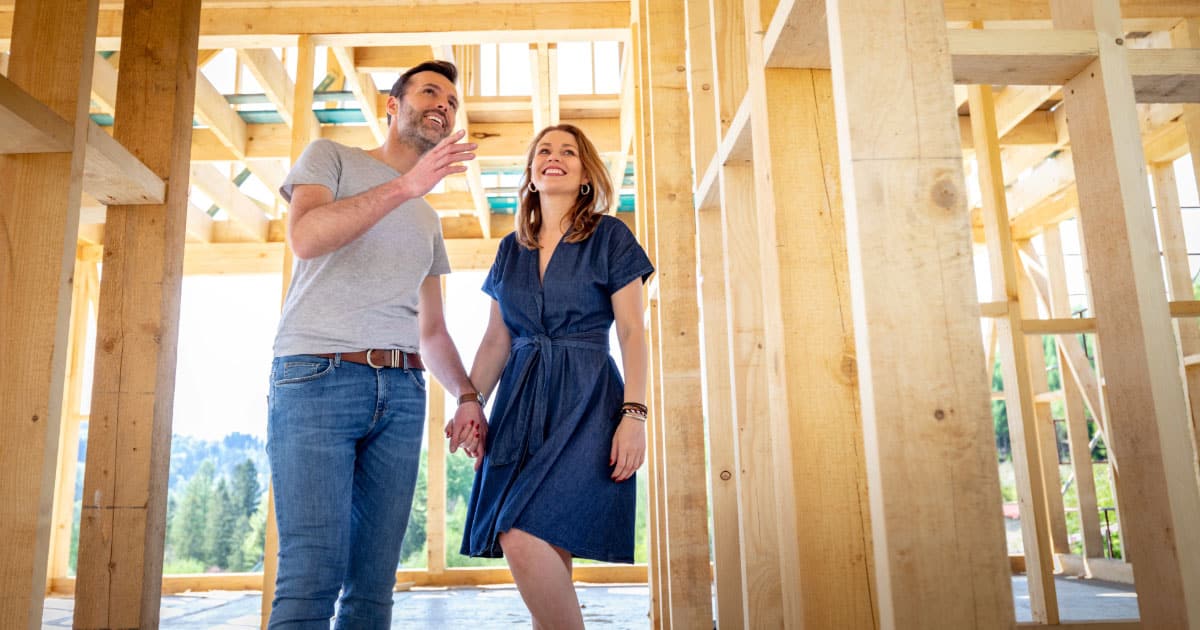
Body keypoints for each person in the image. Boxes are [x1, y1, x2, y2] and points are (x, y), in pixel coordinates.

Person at [267, 60, 487, 629]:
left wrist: (467, 395)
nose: (444, 104)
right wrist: (407, 185)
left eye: (452, 101)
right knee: (310, 576)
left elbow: (432, 329)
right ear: (393, 105)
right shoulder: (331, 158)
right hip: (317, 377)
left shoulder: (428, 219)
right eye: (430, 92)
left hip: (403, 390)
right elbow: (306, 238)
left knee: (373, 586)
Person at [459, 124, 654, 629]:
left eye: (569, 152)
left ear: (586, 173)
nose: (554, 157)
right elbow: (496, 340)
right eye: (543, 150)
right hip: (519, 402)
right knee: (542, 539)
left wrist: (635, 415)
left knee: (519, 531)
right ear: (529, 172)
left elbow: (633, 330)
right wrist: (469, 401)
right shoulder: (509, 249)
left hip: (588, 401)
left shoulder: (610, 236)